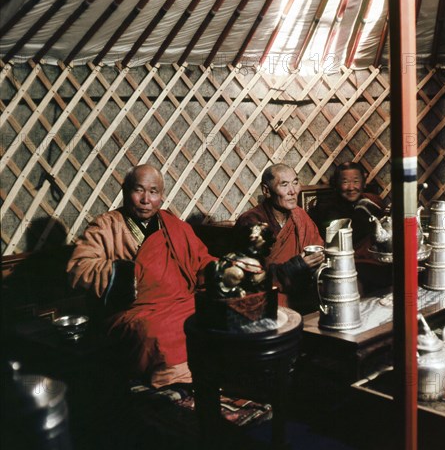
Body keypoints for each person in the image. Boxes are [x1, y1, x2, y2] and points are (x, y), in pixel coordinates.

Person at [67, 164, 216, 388]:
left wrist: (222, 270)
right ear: (125, 191)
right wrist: (124, 275)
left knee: (215, 313)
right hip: (133, 310)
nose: (146, 199)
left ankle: (210, 371)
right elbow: (79, 267)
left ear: (162, 196)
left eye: (153, 191)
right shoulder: (106, 226)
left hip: (181, 302)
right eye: (139, 190)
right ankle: (176, 384)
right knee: (157, 333)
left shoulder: (174, 225)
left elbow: (201, 260)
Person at [235, 164, 324, 313]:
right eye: (284, 185)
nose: (293, 191)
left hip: (301, 289)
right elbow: (251, 276)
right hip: (269, 294)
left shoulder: (300, 216)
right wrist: (296, 266)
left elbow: (318, 246)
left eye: (295, 183)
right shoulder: (252, 222)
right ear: (266, 191)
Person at [308, 162, 390, 293]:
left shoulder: (373, 201)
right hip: (347, 263)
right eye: (345, 182)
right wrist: (362, 213)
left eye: (356, 181)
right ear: (337, 184)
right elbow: (337, 241)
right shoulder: (326, 208)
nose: (351, 187)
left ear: (363, 182)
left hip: (377, 259)